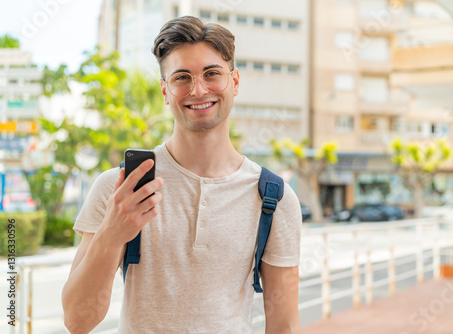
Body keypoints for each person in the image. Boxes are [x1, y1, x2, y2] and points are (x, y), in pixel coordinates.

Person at [62, 16, 302, 334]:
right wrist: (113, 231)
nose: (198, 90)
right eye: (182, 77)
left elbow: (284, 325)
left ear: (236, 81)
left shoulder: (273, 197)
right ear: (165, 90)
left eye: (212, 73)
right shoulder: (120, 187)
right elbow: (77, 321)